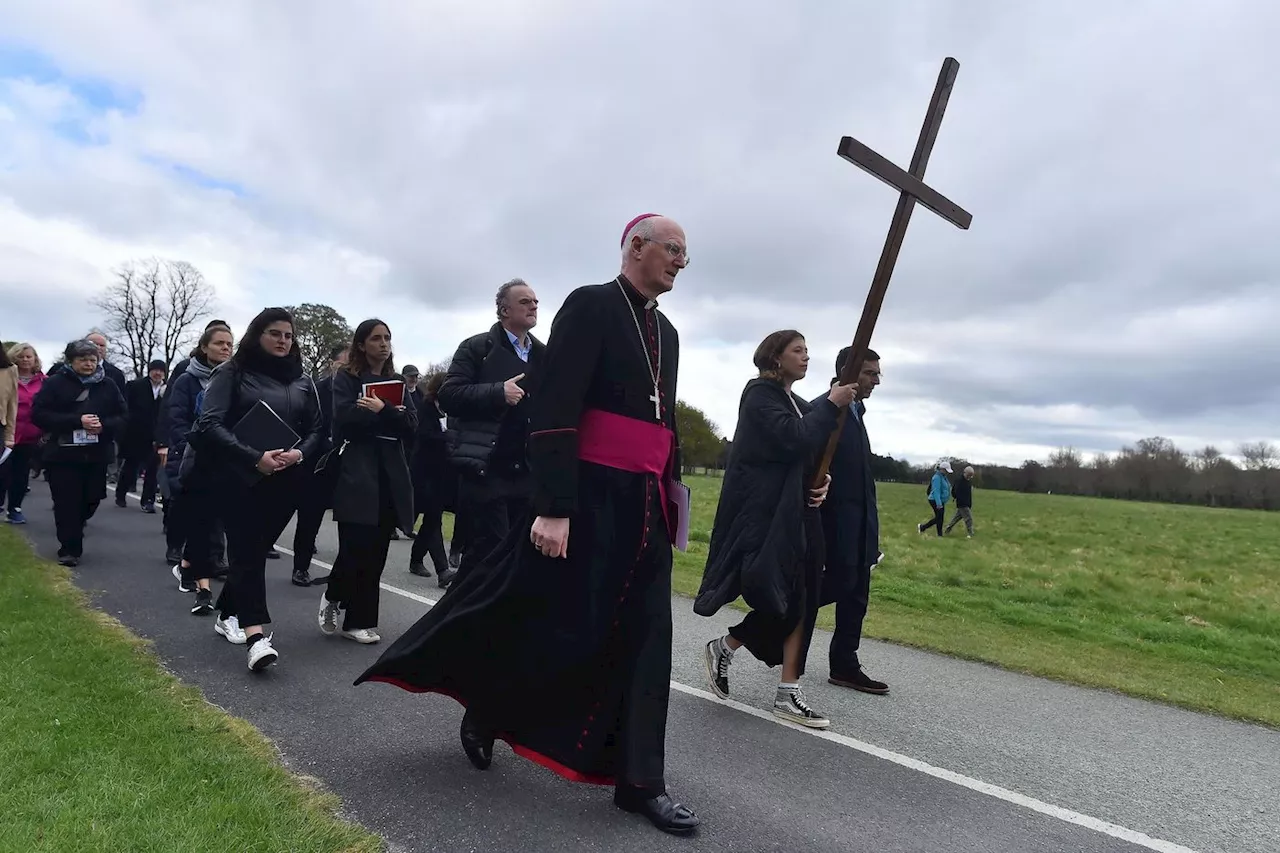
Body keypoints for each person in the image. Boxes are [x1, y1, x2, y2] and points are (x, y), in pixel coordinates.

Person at [356, 213, 699, 835]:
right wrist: (553, 506)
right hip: (587, 496)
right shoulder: (590, 306)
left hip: (643, 503)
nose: (681, 260)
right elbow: (555, 405)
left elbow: (663, 421)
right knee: (551, 621)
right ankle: (489, 708)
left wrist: (671, 494)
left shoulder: (666, 332)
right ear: (637, 247)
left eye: (685, 253)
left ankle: (641, 780)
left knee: (650, 636)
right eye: (673, 249)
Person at [695, 331, 850, 728]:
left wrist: (822, 479)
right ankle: (765, 674)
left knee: (808, 594)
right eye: (798, 350)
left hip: (799, 510)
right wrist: (831, 404)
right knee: (786, 596)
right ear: (775, 357)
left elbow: (808, 451)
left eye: (807, 351)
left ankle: (762, 673)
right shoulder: (759, 395)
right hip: (766, 515)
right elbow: (790, 439)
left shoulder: (796, 403)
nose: (806, 357)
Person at [186, 308, 325, 671]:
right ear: (257, 334)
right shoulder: (231, 372)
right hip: (238, 478)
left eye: (289, 335)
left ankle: (227, 613)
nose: (283, 341)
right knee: (247, 550)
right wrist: (253, 458)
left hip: (287, 479)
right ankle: (256, 637)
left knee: (255, 552)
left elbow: (316, 430)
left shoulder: (303, 381)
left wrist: (298, 453)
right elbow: (210, 424)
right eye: (275, 333)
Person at [437, 278, 546, 585]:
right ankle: (458, 624)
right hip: (487, 470)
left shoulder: (543, 355)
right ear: (503, 310)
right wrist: (497, 392)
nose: (533, 306)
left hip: (525, 474)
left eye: (535, 301)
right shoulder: (477, 348)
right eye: (525, 301)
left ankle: (471, 623)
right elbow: (449, 396)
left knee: (514, 560)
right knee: (489, 557)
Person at [318, 319, 417, 644]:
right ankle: (334, 593)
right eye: (376, 338)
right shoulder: (346, 379)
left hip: (390, 472)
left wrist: (382, 409)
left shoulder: (397, 381)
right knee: (354, 546)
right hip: (357, 470)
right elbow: (343, 420)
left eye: (387, 337)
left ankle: (358, 622)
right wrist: (381, 413)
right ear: (361, 344)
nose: (384, 343)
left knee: (376, 552)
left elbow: (413, 425)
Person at [817, 347, 889, 695]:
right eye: (870, 373)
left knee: (856, 596)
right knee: (824, 590)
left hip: (860, 526)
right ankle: (750, 633)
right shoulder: (825, 409)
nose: (877, 380)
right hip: (833, 524)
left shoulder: (858, 412)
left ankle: (845, 665)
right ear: (848, 372)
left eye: (877, 374)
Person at [29, 339, 128, 566]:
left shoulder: (108, 385)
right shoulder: (55, 383)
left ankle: (75, 526)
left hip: (96, 453)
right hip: (62, 454)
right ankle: (69, 549)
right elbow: (39, 414)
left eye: (93, 359)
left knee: (92, 498)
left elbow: (123, 416)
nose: (88, 364)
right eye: (83, 359)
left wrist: (103, 425)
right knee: (66, 503)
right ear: (71, 361)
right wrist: (76, 421)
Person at [165, 324, 235, 614]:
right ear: (204, 347)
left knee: (214, 518)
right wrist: (188, 444)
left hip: (225, 457)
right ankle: (202, 587)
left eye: (230, 344)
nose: (225, 349)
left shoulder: (235, 379)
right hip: (194, 457)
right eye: (219, 343)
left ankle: (189, 565)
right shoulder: (186, 380)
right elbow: (177, 417)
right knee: (199, 519)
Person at [290, 343, 347, 586]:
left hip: (347, 465)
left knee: (348, 522)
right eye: (342, 364)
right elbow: (308, 426)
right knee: (309, 518)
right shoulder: (317, 390)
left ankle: (342, 574)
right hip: (317, 462)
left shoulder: (357, 391)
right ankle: (300, 568)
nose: (346, 369)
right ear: (332, 364)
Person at [407, 370, 453, 580]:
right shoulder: (425, 407)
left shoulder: (451, 410)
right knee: (411, 516)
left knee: (434, 520)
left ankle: (434, 567)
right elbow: (424, 434)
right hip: (422, 472)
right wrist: (449, 437)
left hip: (442, 473)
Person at [115, 359, 167, 513]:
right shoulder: (135, 386)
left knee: (152, 469)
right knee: (131, 466)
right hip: (136, 433)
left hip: (156, 435)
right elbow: (125, 407)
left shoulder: (168, 388)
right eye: (155, 370)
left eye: (161, 370)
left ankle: (148, 500)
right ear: (149, 371)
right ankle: (121, 492)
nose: (157, 373)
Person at [2, 343, 45, 524]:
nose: (26, 360)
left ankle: (15, 508)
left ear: (35, 359)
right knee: (3, 472)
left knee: (21, 474)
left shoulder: (44, 381)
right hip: (7, 432)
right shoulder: (7, 377)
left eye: (29, 356)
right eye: (21, 356)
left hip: (30, 435)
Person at [918, 461, 952, 536]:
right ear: (942, 469)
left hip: (941, 500)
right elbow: (936, 491)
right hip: (935, 500)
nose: (947, 472)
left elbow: (947, 487)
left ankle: (939, 534)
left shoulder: (943, 477)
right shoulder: (937, 477)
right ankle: (922, 527)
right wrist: (939, 503)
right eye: (946, 470)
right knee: (939, 518)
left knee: (940, 518)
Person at [945, 465, 976, 538]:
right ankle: (970, 532)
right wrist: (958, 498)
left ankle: (948, 527)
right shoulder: (959, 481)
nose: (969, 477)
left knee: (956, 518)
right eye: (968, 475)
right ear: (965, 473)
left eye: (971, 476)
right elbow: (954, 491)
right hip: (962, 503)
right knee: (969, 518)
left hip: (967, 503)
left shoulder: (968, 482)